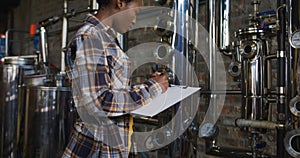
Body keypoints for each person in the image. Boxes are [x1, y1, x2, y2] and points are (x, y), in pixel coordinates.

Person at [62, 0, 169, 157]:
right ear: (120, 3)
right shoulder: (91, 37)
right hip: (96, 147)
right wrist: (152, 88)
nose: (135, 20)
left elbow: (111, 89)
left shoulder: (105, 37)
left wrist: (146, 85)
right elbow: (100, 101)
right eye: (135, 13)